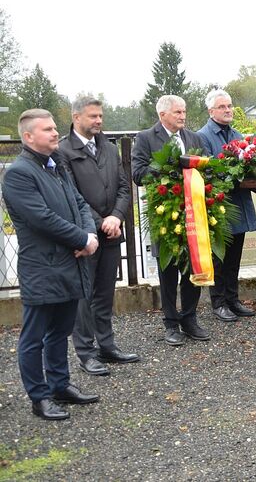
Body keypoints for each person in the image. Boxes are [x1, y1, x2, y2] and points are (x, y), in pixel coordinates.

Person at [2, 109, 100, 420]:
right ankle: (39, 396)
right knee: (34, 337)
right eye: (47, 129)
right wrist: (82, 240)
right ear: (28, 137)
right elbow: (42, 219)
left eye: (55, 128)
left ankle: (60, 385)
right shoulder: (18, 174)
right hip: (44, 267)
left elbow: (80, 203)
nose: (56, 133)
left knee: (60, 331)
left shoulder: (55, 166)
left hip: (69, 264)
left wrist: (89, 233)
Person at [58, 97, 139, 376]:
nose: (99, 121)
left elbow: (123, 187)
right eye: (93, 116)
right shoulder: (64, 151)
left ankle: (107, 345)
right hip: (86, 235)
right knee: (85, 295)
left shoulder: (108, 147)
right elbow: (71, 197)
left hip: (112, 231)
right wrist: (100, 221)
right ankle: (86, 352)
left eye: (101, 116)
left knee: (105, 292)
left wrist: (116, 217)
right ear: (76, 117)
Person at [132, 95, 211, 346]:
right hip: (165, 213)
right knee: (168, 272)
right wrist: (170, 169)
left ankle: (189, 319)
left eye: (184, 111)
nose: (182, 116)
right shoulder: (145, 138)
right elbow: (138, 174)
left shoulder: (194, 138)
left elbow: (206, 167)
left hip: (194, 213)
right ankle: (170, 323)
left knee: (192, 266)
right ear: (162, 114)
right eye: (177, 112)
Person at [197, 90, 256, 322]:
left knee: (234, 259)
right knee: (219, 259)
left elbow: (248, 164)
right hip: (219, 207)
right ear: (211, 111)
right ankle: (219, 302)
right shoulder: (202, 137)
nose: (228, 110)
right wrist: (238, 181)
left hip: (239, 205)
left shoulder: (237, 133)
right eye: (222, 107)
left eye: (230, 106)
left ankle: (233, 299)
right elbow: (208, 172)